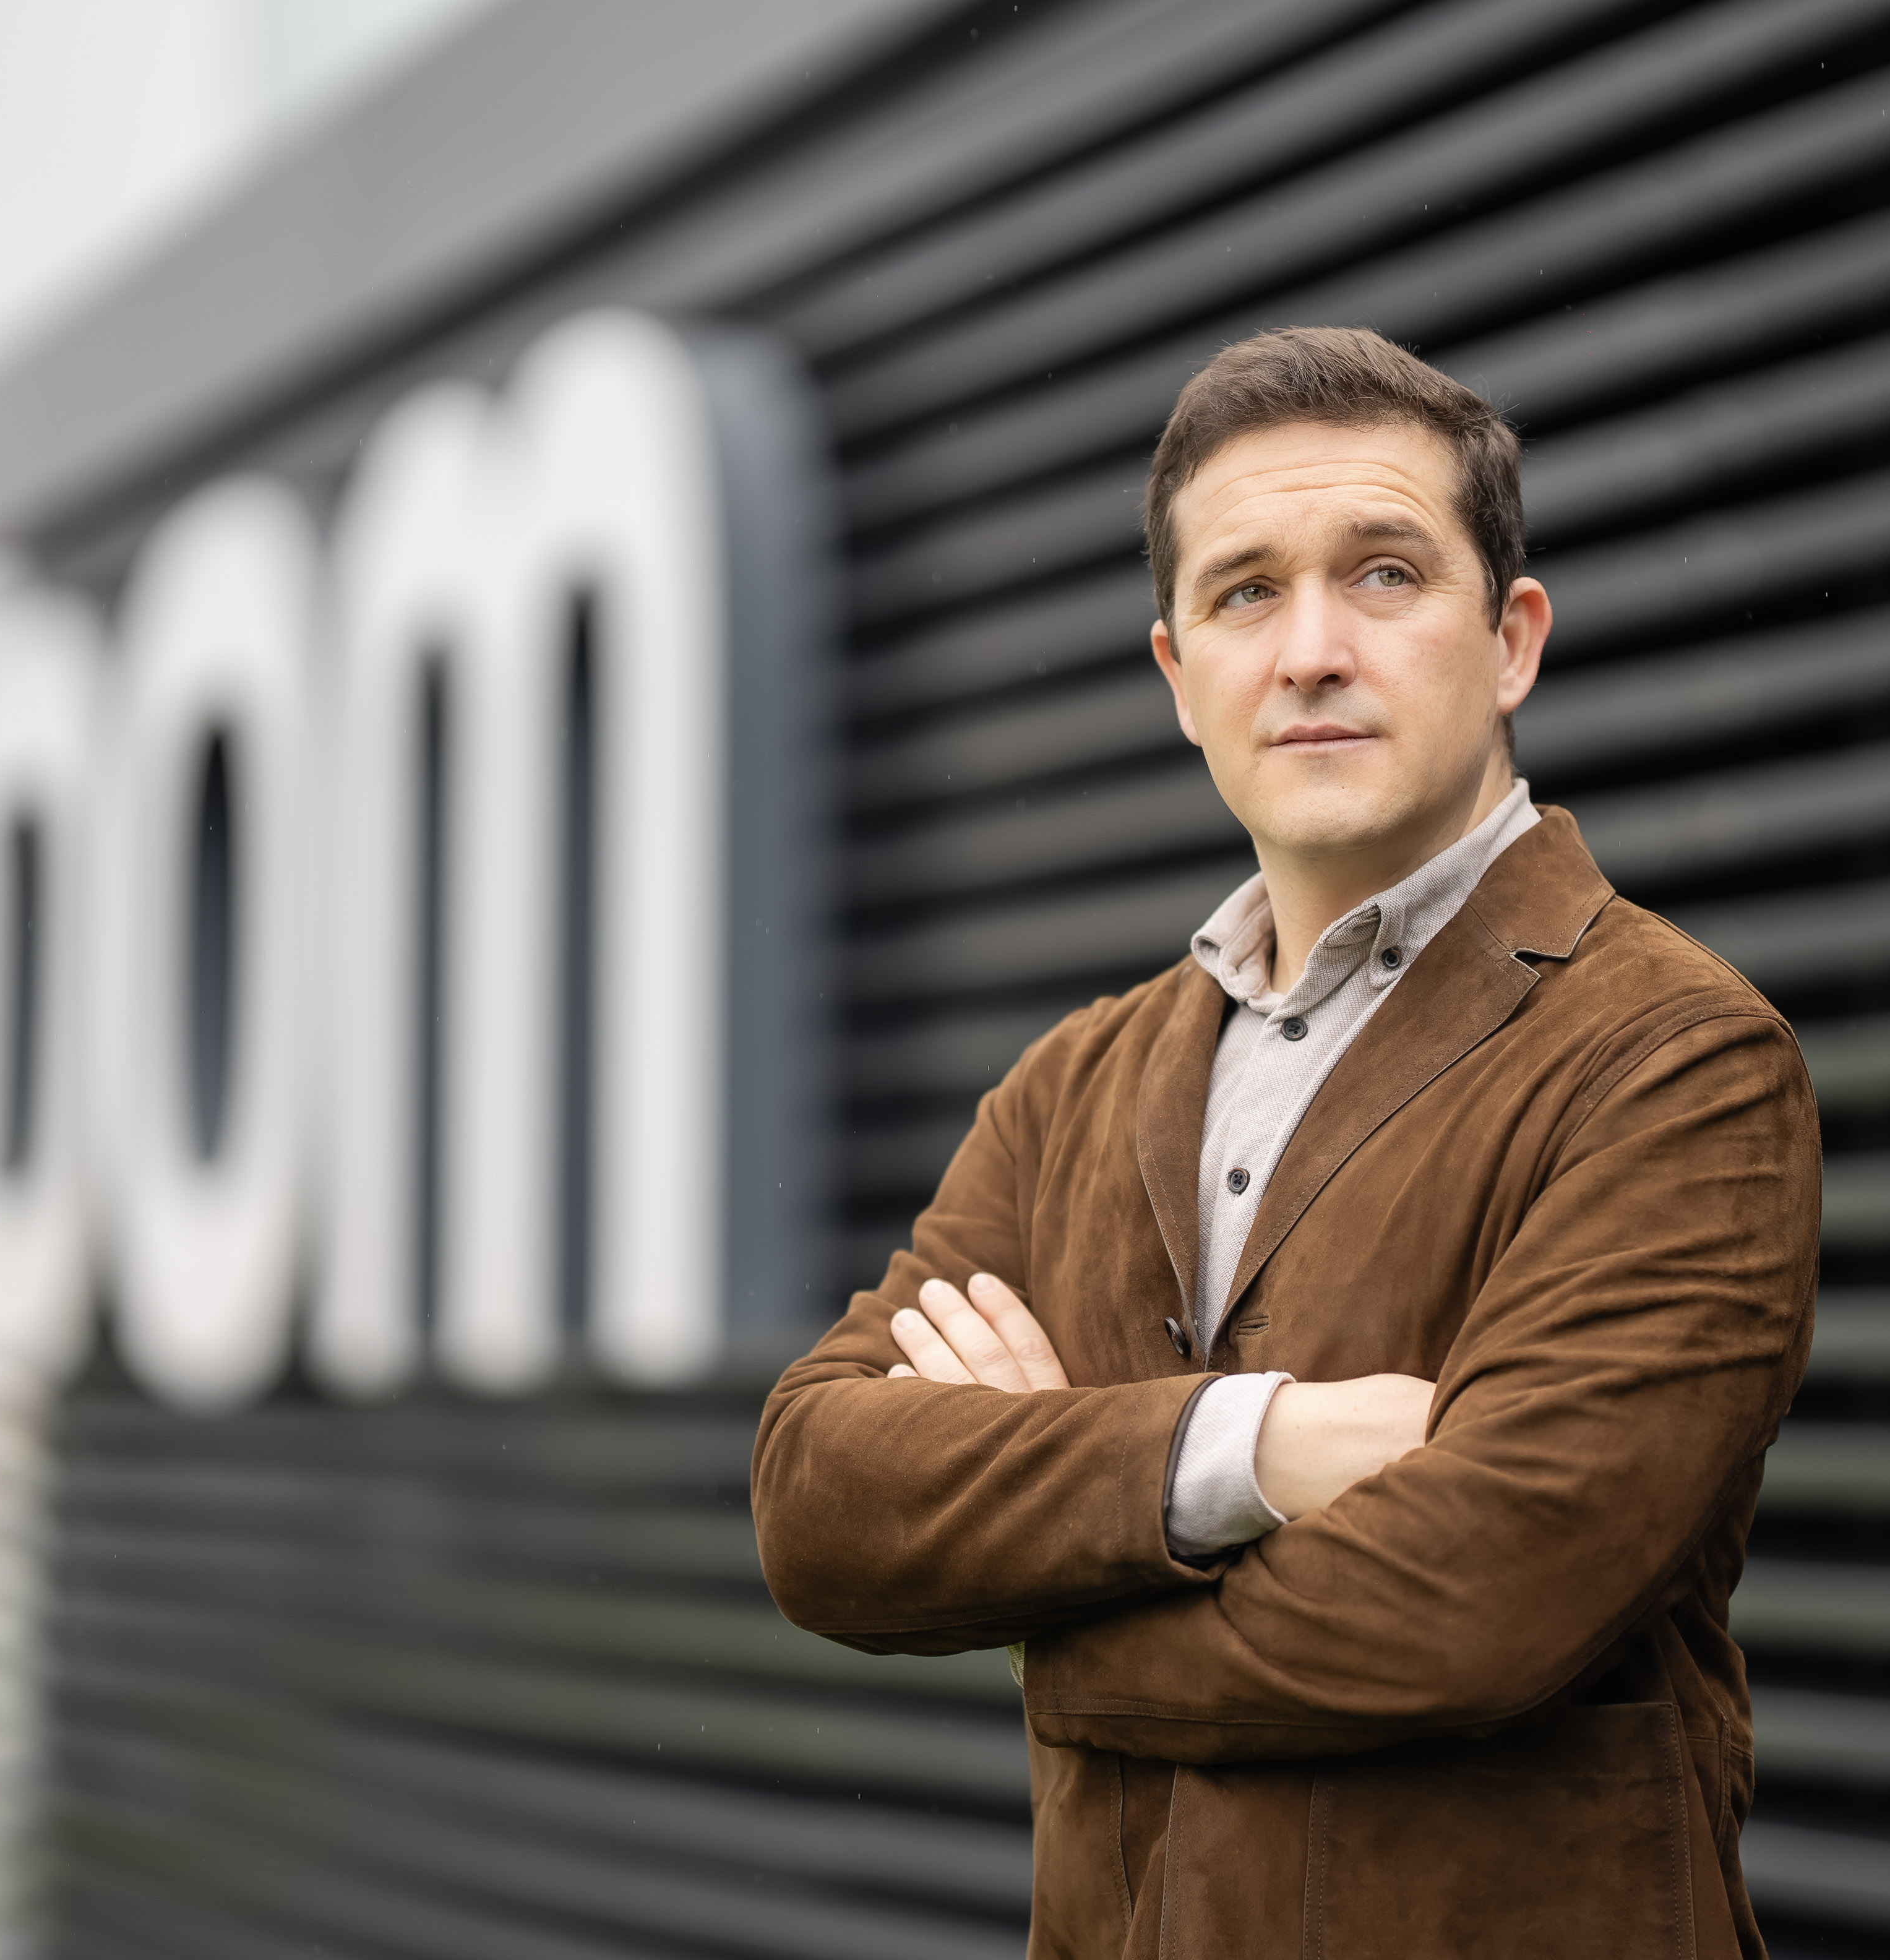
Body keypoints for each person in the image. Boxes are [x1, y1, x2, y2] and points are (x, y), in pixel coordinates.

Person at [753, 325, 1818, 1958]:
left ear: (1512, 641)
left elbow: (1476, 1600)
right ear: (1181, 679)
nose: (1312, 650)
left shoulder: (1674, 1061)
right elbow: (820, 1501)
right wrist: (1245, 1450)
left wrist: (1053, 1602)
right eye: (1246, 592)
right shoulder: (1075, 1086)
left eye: (1384, 574)